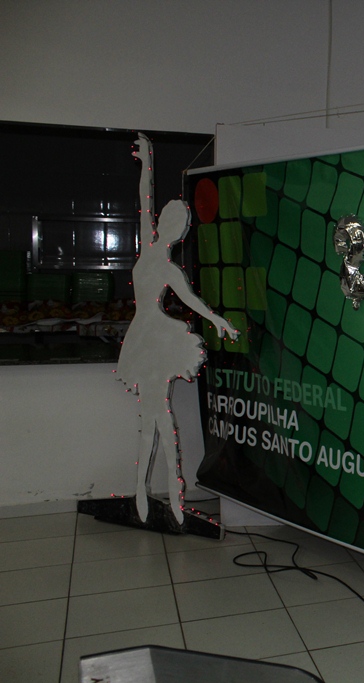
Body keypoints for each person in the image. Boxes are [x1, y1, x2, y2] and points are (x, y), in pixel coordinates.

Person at [115, 134, 237, 526]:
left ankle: (161, 494)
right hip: (146, 337)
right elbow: (145, 197)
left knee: (155, 416)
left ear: (180, 231)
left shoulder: (167, 267)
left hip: (154, 337)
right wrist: (146, 161)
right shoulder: (154, 253)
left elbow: (192, 302)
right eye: (173, 221)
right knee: (155, 417)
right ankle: (165, 495)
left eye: (179, 223)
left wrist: (217, 319)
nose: (174, 226)